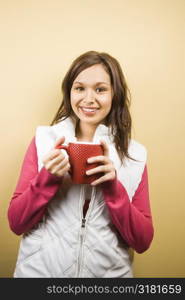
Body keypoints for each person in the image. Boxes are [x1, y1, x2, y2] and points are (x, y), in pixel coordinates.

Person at [8, 51, 154, 278]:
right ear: (69, 92)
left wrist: (113, 188)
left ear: (115, 94)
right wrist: (47, 178)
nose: (89, 99)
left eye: (100, 89)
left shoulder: (135, 154)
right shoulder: (43, 141)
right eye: (79, 88)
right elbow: (16, 223)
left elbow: (143, 241)